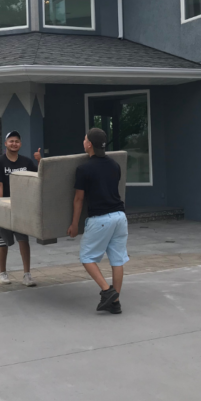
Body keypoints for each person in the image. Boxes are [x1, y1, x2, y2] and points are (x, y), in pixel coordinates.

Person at [68, 128, 128, 314]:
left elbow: (79, 199)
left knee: (87, 257)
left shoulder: (84, 168)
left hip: (100, 219)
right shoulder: (114, 165)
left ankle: (106, 290)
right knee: (117, 260)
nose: (84, 141)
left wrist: (74, 225)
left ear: (89, 145)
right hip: (120, 217)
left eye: (85, 139)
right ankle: (115, 303)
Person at [0, 130, 40, 286]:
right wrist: (0, 207)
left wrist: (40, 162)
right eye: (11, 141)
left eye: (17, 141)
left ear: (20, 144)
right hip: (5, 206)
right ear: (5, 144)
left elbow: (38, 179)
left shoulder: (26, 162)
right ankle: (2, 273)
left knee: (23, 240)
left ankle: (27, 274)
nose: (14, 143)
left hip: (22, 207)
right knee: (2, 241)